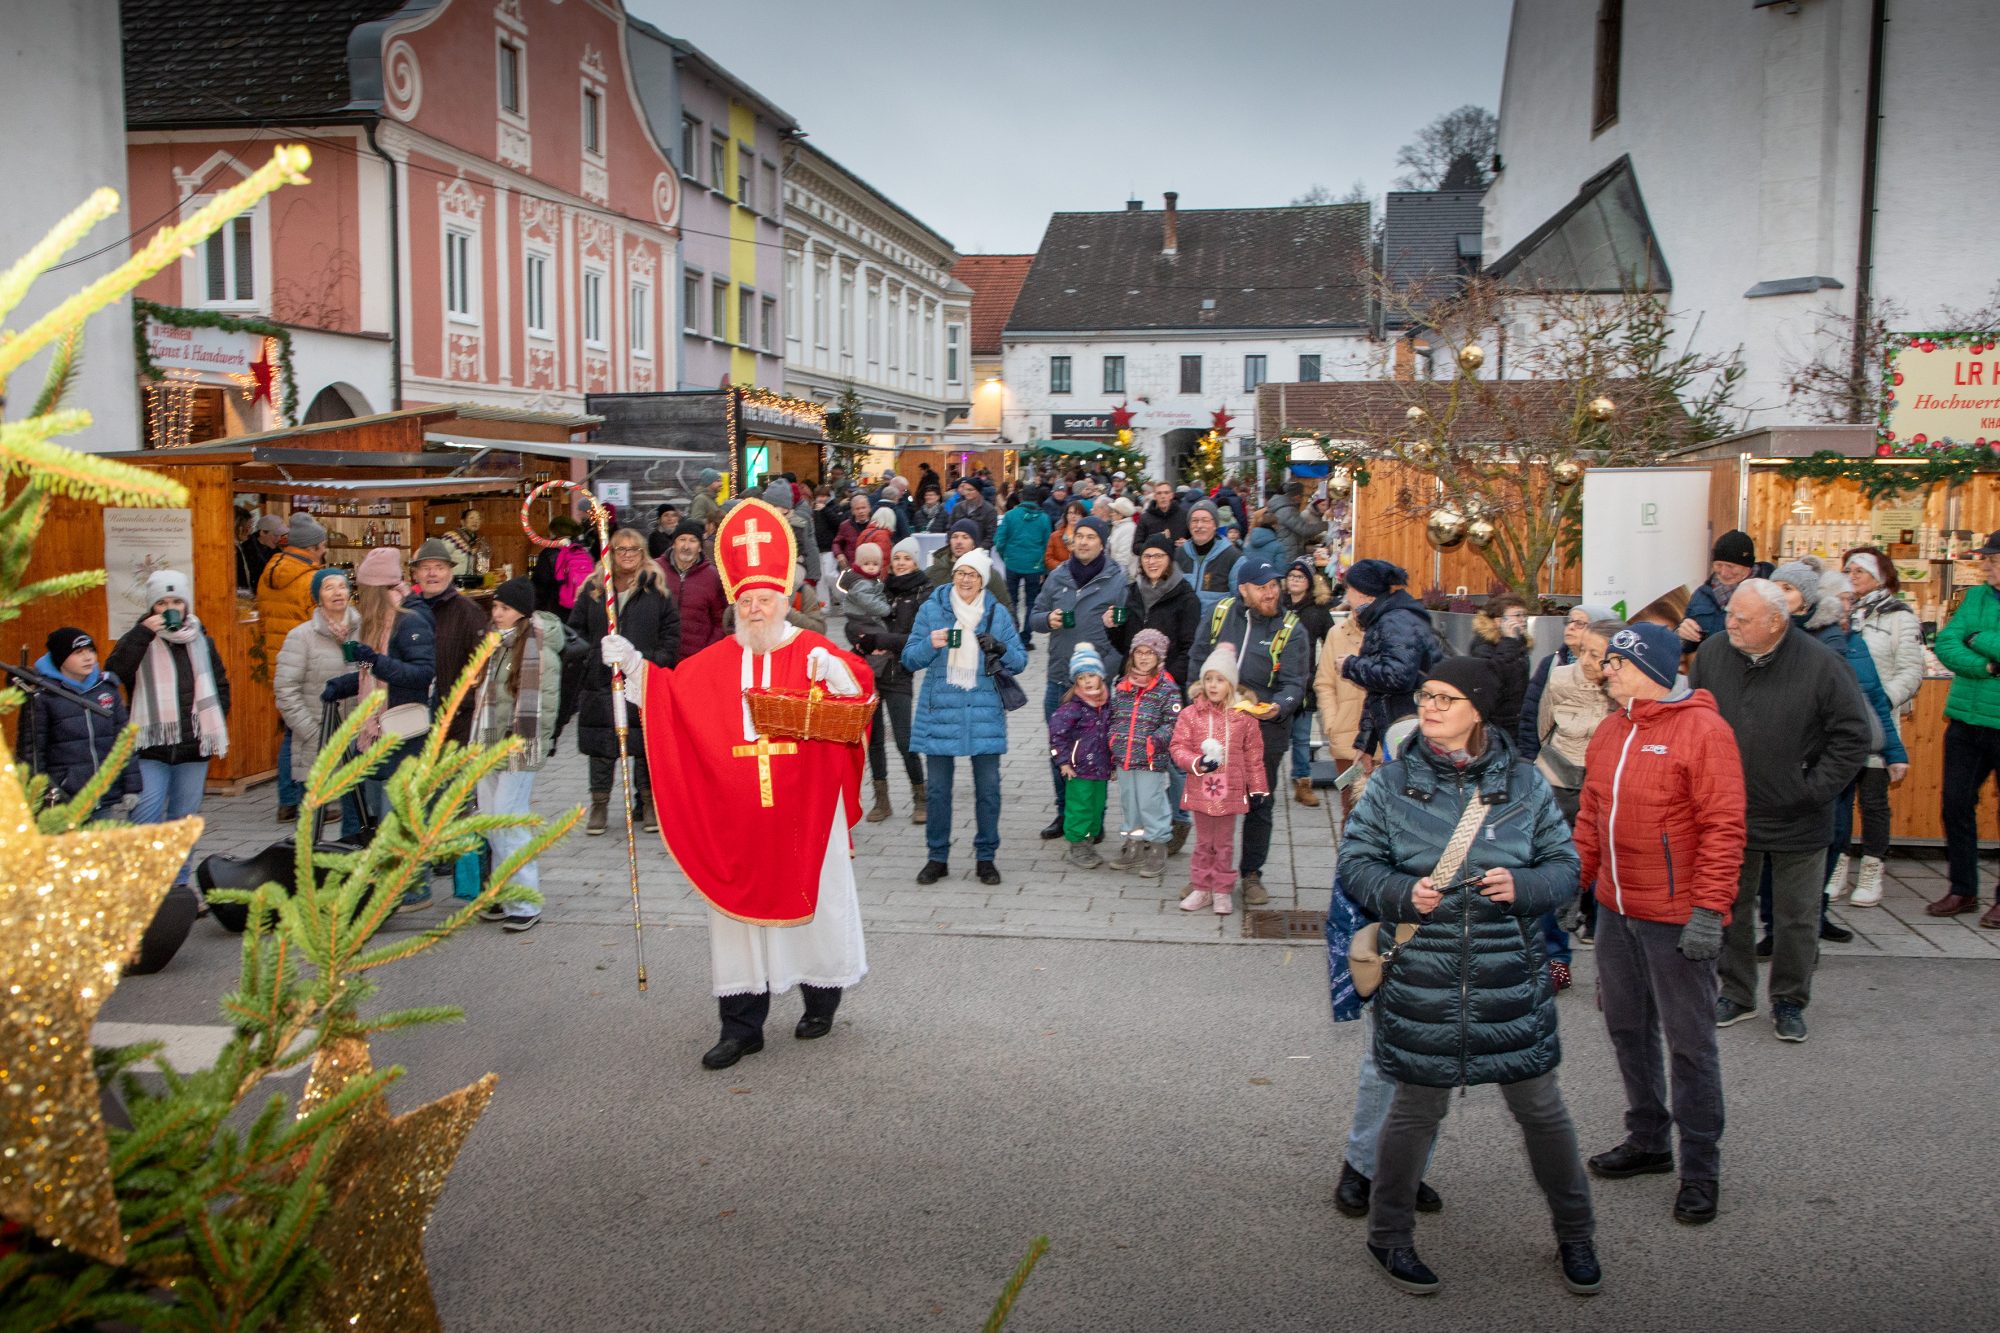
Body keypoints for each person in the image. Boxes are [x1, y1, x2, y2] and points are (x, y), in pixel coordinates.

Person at [1339, 656, 1597, 1298]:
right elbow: (1356, 864)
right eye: (1426, 695)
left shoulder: (1525, 785)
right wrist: (1402, 893)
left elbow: (1566, 869)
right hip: (1422, 977)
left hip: (1509, 980)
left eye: (1446, 699)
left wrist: (1525, 884)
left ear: (1478, 710)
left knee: (1543, 1113)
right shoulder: (1393, 783)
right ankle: (1389, 1237)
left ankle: (1577, 1236)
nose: (1428, 707)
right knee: (1414, 1111)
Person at [600, 497, 874, 1070]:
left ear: (785, 601)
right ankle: (741, 1025)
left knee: (817, 906)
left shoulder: (814, 651)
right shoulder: (715, 662)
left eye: (765, 599)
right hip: (737, 821)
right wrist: (633, 669)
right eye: (745, 600)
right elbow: (671, 697)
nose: (755, 609)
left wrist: (842, 676)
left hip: (807, 814)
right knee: (734, 917)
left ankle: (820, 1002)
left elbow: (859, 702)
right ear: (735, 604)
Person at [1574, 622, 1745, 1228]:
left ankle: (1701, 1169)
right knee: (1626, 1028)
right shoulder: (1613, 728)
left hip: (1676, 918)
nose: (1607, 669)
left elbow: (1724, 828)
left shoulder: (1704, 731)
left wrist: (1708, 911)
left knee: (1690, 1045)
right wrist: (1578, 881)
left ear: (1653, 669)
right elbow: (1592, 815)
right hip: (1617, 910)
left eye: (1618, 661)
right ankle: (1648, 1140)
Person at [1691, 578, 1871, 1042]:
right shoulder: (1712, 655)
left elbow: (1852, 737)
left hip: (1799, 815)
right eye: (1729, 613)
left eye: (1741, 619)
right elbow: (1696, 722)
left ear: (1776, 622)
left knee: (1796, 916)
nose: (1728, 623)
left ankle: (1790, 1000)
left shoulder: (1822, 665)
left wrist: (1812, 789)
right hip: (1730, 812)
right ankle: (1737, 992)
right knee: (1730, 905)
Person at [1770, 559, 1906, 946]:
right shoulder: (1796, 639)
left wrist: (1894, 750)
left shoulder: (1854, 643)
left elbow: (1873, 701)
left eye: (1851, 599)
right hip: (1801, 756)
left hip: (1838, 760)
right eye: (1842, 598)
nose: (1849, 606)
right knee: (1798, 840)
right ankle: (1784, 921)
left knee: (1836, 834)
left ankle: (1817, 911)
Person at [903, 547, 1028, 886]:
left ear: (983, 579)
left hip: (983, 709)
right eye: (961, 573)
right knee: (938, 792)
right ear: (953, 575)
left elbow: (1019, 661)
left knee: (988, 790)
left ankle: (986, 858)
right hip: (940, 710)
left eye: (972, 575)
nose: (965, 580)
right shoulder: (932, 609)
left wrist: (1000, 648)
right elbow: (910, 659)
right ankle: (937, 857)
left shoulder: (996, 614)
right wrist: (931, 644)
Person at [322, 548, 437, 902]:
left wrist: (377, 660)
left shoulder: (409, 620)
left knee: (397, 819)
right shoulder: (380, 623)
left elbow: (422, 674)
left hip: (404, 733)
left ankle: (415, 893)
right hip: (377, 733)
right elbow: (372, 674)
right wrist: (342, 686)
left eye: (362, 590)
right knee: (379, 816)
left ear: (376, 590)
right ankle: (391, 888)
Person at [106, 569, 230, 896]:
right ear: (152, 607)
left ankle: (177, 891)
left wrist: (212, 722)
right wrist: (141, 634)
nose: (170, 607)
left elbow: (220, 685)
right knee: (144, 819)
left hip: (193, 749)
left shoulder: (201, 639)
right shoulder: (139, 639)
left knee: (183, 823)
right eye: (162, 602)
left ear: (186, 604)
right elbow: (115, 673)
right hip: (151, 750)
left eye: (176, 601)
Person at [1192, 557, 1308, 906]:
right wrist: (1195, 695)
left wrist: (1280, 706)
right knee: (1211, 801)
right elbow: (1198, 658)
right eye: (1263, 587)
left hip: (1263, 731)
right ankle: (1207, 876)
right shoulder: (1219, 613)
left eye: (1274, 585)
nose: (1271, 593)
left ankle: (1252, 873)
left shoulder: (1291, 628)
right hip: (1215, 725)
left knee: (1259, 802)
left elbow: (1295, 682)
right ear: (1244, 589)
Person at [470, 578, 567, 931]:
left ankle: (525, 902)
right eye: (495, 607)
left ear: (522, 613)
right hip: (489, 740)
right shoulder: (498, 643)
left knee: (509, 821)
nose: (496, 614)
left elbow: (543, 705)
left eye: (504, 609)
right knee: (492, 820)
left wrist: (524, 747)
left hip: (519, 745)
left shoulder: (538, 649)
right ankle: (502, 892)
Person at [1831, 547, 1924, 908]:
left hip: (1877, 719)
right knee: (1838, 798)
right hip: (1839, 721)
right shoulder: (1839, 613)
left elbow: (1911, 670)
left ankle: (1871, 867)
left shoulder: (1899, 616)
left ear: (1880, 576)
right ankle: (1837, 865)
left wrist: (1883, 701)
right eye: (1848, 570)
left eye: (1860, 570)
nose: (1852, 576)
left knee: (1872, 800)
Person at [571, 527, 678, 837]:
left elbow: (671, 633)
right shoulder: (594, 589)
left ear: (642, 553)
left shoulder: (655, 589)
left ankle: (647, 803)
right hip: (601, 681)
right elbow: (574, 632)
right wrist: (593, 657)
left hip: (643, 677)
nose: (628, 554)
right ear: (611, 553)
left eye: (634, 549)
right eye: (621, 549)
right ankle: (600, 803)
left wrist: (651, 660)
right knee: (602, 744)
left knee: (644, 744)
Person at [1531, 618, 1621, 970]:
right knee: (1551, 867)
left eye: (1596, 655)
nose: (1585, 660)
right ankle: (1554, 959)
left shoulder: (1626, 689)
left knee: (1605, 872)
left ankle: (1608, 962)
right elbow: (1541, 726)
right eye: (1583, 650)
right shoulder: (1559, 676)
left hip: (1604, 786)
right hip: (1557, 779)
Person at [1033, 517, 1130, 839]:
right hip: (1060, 679)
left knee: (1096, 753)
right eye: (1079, 537)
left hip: (1096, 686)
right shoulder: (1058, 576)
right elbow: (1033, 617)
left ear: (1102, 543)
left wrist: (1107, 672)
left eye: (1091, 537)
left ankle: (1095, 819)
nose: (1084, 542)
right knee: (1060, 751)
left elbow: (1127, 630)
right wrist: (1049, 619)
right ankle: (1064, 813)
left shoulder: (1117, 579)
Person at [1927, 530, 2000, 926]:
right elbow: (1946, 643)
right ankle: (1963, 889)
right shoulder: (1975, 597)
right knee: (1955, 804)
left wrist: (1978, 638)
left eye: (1994, 558)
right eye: (1986, 558)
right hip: (1966, 720)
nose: (1986, 564)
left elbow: (1968, 638)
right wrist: (1986, 665)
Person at [1170, 643, 1267, 912]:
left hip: (1231, 790)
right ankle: (1201, 887)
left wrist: (1258, 787)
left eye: (1220, 680)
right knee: (1203, 841)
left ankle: (1222, 889)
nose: (1213, 685)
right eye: (1208, 679)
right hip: (1202, 787)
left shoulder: (1243, 718)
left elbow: (1253, 754)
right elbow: (1178, 747)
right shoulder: (1191, 715)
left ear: (1231, 685)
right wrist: (1197, 763)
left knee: (1223, 842)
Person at [272, 569, 361, 835]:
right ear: (317, 597)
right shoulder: (301, 637)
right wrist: (311, 731)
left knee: (357, 814)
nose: (337, 593)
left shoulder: (364, 629)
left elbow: (371, 672)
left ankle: (351, 863)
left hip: (357, 736)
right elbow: (286, 688)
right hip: (316, 737)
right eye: (328, 587)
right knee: (312, 820)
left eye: (342, 586)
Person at [852, 538, 931, 826]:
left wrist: (880, 640)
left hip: (899, 673)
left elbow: (918, 638)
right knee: (873, 740)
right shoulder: (880, 588)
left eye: (906, 558)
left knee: (903, 739)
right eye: (896, 558)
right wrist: (859, 638)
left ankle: (920, 796)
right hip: (872, 673)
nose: (900, 563)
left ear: (915, 562)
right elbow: (856, 621)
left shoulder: (924, 591)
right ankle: (881, 800)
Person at [1334, 558, 1444, 764]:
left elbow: (1398, 677)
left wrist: (1351, 665)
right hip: (1399, 728)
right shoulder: (1384, 618)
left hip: (1411, 729)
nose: (1346, 597)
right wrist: (1366, 742)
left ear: (1362, 592)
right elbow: (1378, 691)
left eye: (1348, 589)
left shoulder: (1395, 621)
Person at [22, 627, 136, 820]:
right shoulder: (42, 695)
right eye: (78, 652)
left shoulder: (106, 689)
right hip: (65, 798)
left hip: (103, 793)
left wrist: (131, 786)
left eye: (91, 651)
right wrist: (37, 795)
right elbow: (33, 751)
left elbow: (124, 740)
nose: (88, 657)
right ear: (60, 659)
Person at [258, 512, 327, 821]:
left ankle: (289, 800)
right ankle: (309, 801)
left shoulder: (268, 571)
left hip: (280, 661)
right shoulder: (311, 579)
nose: (324, 550)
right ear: (312, 546)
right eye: (322, 545)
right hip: (309, 664)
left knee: (293, 731)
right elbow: (322, 625)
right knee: (312, 733)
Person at [1107, 628, 1183, 878]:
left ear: (1159, 656)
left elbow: (1173, 723)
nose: (1143, 657)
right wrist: (1112, 741)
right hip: (1125, 756)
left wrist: (1154, 742)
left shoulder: (1167, 689)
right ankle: (1133, 843)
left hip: (1150, 758)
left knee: (1151, 801)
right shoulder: (1122, 685)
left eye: (1149, 653)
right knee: (1129, 802)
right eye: (1139, 652)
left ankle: (1157, 846)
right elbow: (1114, 717)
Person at [410, 538, 490, 745]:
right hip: (413, 720)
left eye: (439, 567)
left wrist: (462, 705)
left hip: (457, 723)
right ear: (416, 574)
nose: (432, 573)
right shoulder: (407, 612)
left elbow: (484, 665)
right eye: (425, 568)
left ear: (450, 572)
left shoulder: (468, 612)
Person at [1049, 644, 1117, 869]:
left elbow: (1113, 736)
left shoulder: (1108, 706)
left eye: (1091, 675)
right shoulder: (1071, 708)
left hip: (1101, 768)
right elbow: (1057, 737)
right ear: (1075, 682)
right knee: (1080, 806)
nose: (1087, 681)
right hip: (1078, 769)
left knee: (1097, 806)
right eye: (1081, 677)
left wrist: (1114, 762)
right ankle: (1078, 843)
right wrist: (1063, 761)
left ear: (1101, 677)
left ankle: (1090, 839)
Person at [1519, 604, 1615, 761]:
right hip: (1559, 769)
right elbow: (1534, 719)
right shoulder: (1552, 664)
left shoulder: (1617, 675)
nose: (1571, 627)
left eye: (1579, 623)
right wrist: (1531, 759)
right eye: (1570, 621)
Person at [1281, 558, 1335, 808]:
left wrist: (1321, 672)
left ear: (1310, 583)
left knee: (1302, 737)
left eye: (1300, 577)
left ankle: (1303, 781)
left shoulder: (1318, 611)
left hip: (1305, 680)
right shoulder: (1276, 605)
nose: (1294, 580)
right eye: (1291, 576)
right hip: (1277, 680)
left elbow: (1332, 641)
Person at [1679, 529, 1763, 644]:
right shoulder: (1701, 594)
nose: (1723, 572)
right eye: (1718, 565)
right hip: (1708, 660)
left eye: (1730, 566)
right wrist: (1681, 633)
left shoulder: (1765, 595)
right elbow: (1685, 646)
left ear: (1748, 568)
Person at [995, 490, 1053, 650]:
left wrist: (1005, 556)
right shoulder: (1044, 518)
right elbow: (1047, 544)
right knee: (1031, 602)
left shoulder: (1010, 515)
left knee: (1011, 600)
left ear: (1021, 498)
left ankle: (1012, 635)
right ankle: (1025, 638)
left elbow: (999, 540)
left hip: (1012, 563)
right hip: (1034, 565)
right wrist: (1042, 567)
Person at [1469, 593, 1532, 739]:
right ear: (1498, 621)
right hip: (1496, 721)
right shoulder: (1483, 645)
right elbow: (1496, 673)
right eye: (1517, 615)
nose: (1523, 620)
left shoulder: (1519, 643)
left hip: (1516, 718)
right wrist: (1509, 641)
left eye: (1524, 616)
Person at [1176, 501, 1241, 617]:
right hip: (1183, 627)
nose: (1199, 525)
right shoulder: (1179, 555)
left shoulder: (1233, 557)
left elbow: (1239, 600)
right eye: (1194, 520)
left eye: (1205, 520)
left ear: (1215, 525)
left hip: (1216, 629)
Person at [928, 518, 1007, 601]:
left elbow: (1005, 608)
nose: (958, 541)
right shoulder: (933, 572)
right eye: (955, 537)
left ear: (974, 544)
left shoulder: (989, 574)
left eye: (965, 537)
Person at [532, 516, 583, 614]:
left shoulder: (549, 553)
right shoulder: (582, 550)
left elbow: (540, 585)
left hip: (556, 609)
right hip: (580, 609)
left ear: (554, 531)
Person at [1265, 480, 1323, 562]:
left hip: (1285, 549)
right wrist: (1326, 525)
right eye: (1301, 495)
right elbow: (1304, 529)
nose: (1302, 498)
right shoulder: (1287, 510)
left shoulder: (1281, 506)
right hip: (1288, 553)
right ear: (1296, 496)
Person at [932, 477, 996, 547]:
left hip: (979, 552)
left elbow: (991, 535)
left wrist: (979, 549)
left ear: (978, 491)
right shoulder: (957, 507)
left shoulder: (989, 510)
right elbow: (950, 529)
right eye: (965, 490)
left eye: (970, 490)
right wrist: (951, 545)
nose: (966, 492)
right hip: (959, 549)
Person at [237, 512, 285, 592]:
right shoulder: (245, 550)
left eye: (281, 535)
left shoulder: (277, 551)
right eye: (275, 535)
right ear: (262, 532)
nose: (279, 539)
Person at [442, 506, 492, 576]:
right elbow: (440, 556)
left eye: (478, 519)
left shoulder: (476, 540)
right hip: (452, 579)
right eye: (471, 518)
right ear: (462, 522)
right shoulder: (451, 537)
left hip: (469, 580)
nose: (475, 521)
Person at [1136, 480, 1187, 545]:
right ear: (1154, 496)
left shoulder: (1184, 515)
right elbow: (1136, 545)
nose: (1163, 496)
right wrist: (1152, 546)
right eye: (1159, 493)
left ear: (1171, 495)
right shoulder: (1145, 518)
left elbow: (1194, 540)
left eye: (1166, 493)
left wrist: (1187, 544)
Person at [1044, 498, 1087, 573]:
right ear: (1066, 516)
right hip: (1059, 575)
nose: (1073, 516)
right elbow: (1048, 559)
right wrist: (1062, 567)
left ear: (1082, 516)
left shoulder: (1086, 538)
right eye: (1070, 513)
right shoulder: (1055, 536)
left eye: (1077, 513)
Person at [687, 468, 725, 538]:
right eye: (718, 481)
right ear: (708, 482)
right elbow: (696, 519)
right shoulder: (701, 498)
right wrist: (713, 522)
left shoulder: (710, 498)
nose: (721, 484)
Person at [1107, 496, 1139, 577]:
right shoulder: (1118, 527)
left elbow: (1124, 559)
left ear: (1120, 514)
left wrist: (1116, 578)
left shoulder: (1129, 529)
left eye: (1114, 511)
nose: (1111, 514)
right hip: (1115, 571)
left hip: (1123, 576)